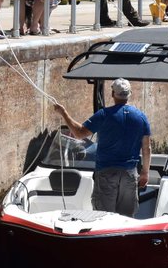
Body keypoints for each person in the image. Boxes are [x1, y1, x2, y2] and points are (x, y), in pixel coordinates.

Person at [52, 78, 152, 217]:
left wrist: (63, 113)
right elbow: (146, 149)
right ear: (130, 93)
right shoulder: (141, 118)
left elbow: (79, 133)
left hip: (106, 172)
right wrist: (145, 173)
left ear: (112, 94)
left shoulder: (104, 115)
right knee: (126, 218)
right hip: (129, 174)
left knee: (103, 216)